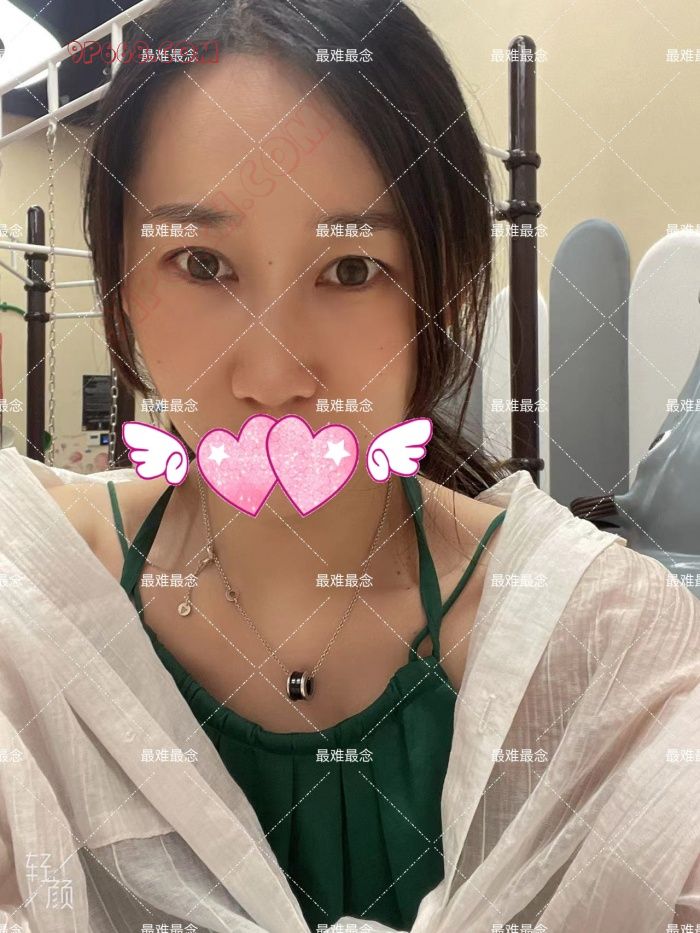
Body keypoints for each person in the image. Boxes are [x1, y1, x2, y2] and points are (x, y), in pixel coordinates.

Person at [1, 0, 698, 930]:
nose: (273, 374)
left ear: (440, 289)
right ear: (121, 285)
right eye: (202, 263)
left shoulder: (599, 648)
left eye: (352, 270)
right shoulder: (31, 616)